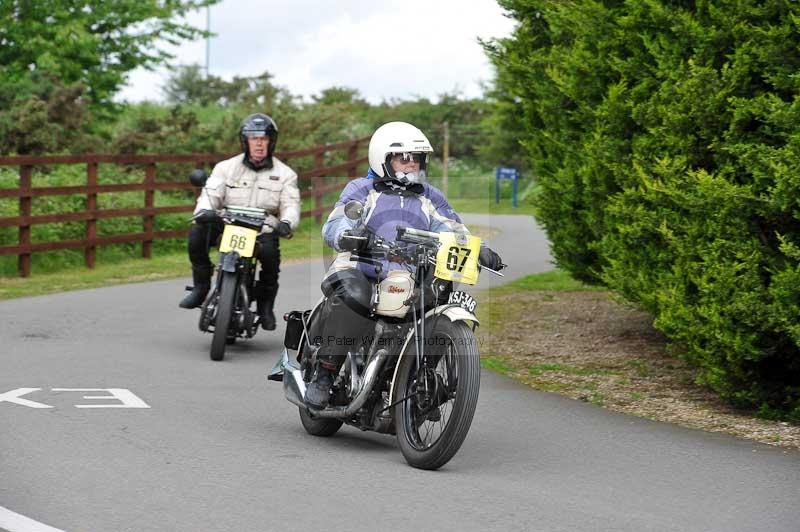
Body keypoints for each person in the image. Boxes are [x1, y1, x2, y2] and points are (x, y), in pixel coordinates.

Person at [304, 121, 503, 408]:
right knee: (355, 294)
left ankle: (417, 379)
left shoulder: (430, 196)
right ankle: (326, 371)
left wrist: (477, 248)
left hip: (405, 273)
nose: (411, 165)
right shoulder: (362, 189)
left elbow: (452, 228)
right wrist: (347, 234)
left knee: (436, 300)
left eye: (416, 159)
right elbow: (338, 220)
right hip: (359, 266)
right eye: (403, 158)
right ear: (382, 159)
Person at [178, 113, 300, 331]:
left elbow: (291, 203)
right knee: (198, 234)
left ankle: (265, 307)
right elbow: (211, 193)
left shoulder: (285, 174)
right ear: (245, 141)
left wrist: (287, 222)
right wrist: (204, 210)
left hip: (262, 229)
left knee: (271, 260)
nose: (259, 143)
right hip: (228, 224)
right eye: (254, 138)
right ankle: (201, 287)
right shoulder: (225, 168)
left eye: (264, 138)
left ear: (272, 141)